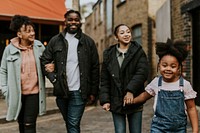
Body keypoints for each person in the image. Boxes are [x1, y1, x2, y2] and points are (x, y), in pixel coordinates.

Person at [40, 9, 99, 133]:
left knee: (73, 123)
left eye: (76, 20)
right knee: (70, 123)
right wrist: (53, 78)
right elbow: (44, 60)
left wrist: (93, 91)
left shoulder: (88, 42)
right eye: (70, 19)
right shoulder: (55, 41)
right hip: (61, 90)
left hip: (79, 91)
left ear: (80, 22)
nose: (73, 22)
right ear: (65, 21)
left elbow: (95, 68)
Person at [133, 38, 199, 133]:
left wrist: (195, 130)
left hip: (179, 129)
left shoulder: (184, 85)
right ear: (159, 66)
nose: (168, 69)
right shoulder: (156, 83)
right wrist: (132, 101)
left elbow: (191, 108)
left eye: (173, 66)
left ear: (179, 68)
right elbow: (144, 96)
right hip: (158, 128)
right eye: (164, 65)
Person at [99, 24, 149, 133]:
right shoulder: (108, 55)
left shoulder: (138, 51)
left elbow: (142, 73)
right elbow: (105, 79)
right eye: (122, 33)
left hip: (135, 100)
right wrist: (105, 100)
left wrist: (130, 91)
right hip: (116, 101)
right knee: (120, 131)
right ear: (116, 37)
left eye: (128, 32)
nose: (126, 35)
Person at [0, 15, 46, 133]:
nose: (32, 33)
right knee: (21, 123)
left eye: (33, 30)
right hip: (17, 93)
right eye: (28, 31)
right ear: (19, 34)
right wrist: (5, 89)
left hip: (34, 93)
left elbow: (47, 64)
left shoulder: (39, 47)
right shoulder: (9, 49)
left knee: (29, 124)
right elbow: (3, 70)